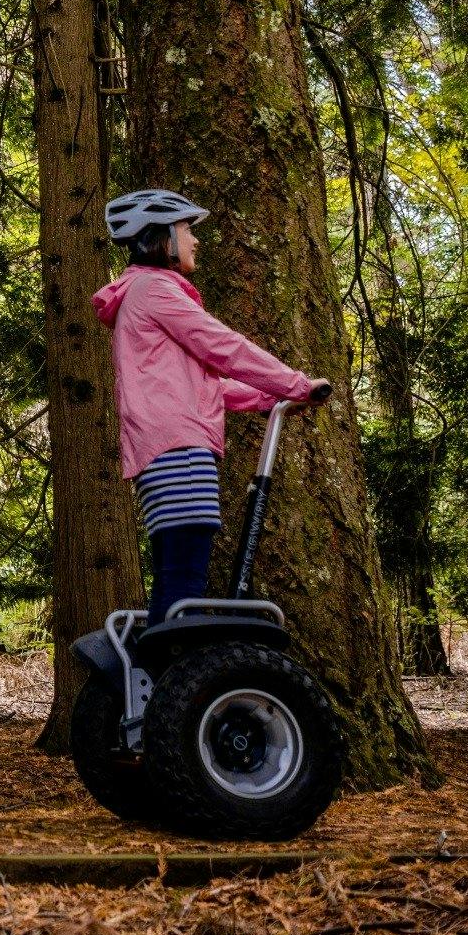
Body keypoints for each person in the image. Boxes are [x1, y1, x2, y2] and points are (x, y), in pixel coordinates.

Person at [95, 189, 329, 624]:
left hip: (161, 451)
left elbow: (202, 387)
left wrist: (267, 398)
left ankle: (160, 681)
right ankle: (171, 683)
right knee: (183, 580)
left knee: (176, 577)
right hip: (180, 451)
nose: (195, 240)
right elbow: (223, 347)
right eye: (186, 229)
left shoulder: (139, 296)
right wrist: (295, 384)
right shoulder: (155, 290)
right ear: (161, 236)